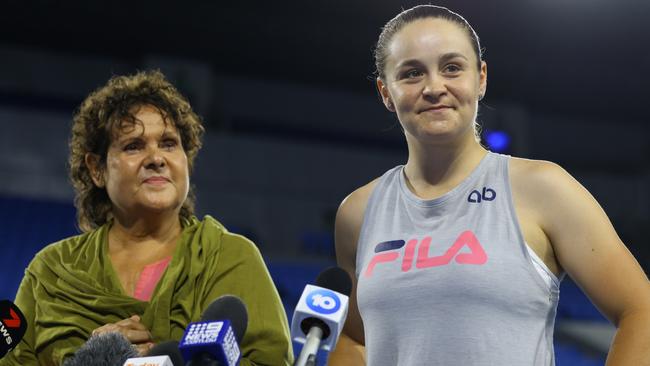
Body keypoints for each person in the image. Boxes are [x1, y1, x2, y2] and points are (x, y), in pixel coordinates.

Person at [329, 5, 650, 365]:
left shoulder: (543, 189)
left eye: (452, 67)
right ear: (386, 92)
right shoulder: (357, 212)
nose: (435, 87)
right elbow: (355, 338)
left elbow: (641, 311)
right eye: (412, 73)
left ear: (480, 78)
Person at [0, 70, 293, 366]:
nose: (156, 158)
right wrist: (89, 361)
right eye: (133, 146)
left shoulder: (231, 259)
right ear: (96, 169)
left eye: (168, 143)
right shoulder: (50, 272)